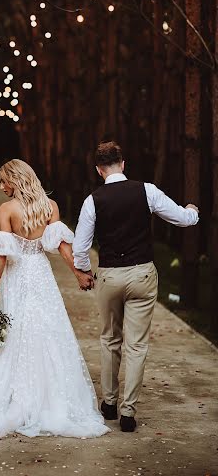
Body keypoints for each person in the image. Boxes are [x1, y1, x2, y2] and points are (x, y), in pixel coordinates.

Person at [0, 159, 109, 440]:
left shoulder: (7, 209)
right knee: (48, 329)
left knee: (19, 331)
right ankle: (50, 396)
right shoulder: (49, 207)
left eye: (4, 181)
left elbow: (3, 253)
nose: (1, 186)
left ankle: (21, 394)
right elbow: (61, 246)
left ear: (16, 180)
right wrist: (78, 273)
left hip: (17, 276)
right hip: (40, 273)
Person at [73, 141, 199, 433]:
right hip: (142, 273)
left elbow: (81, 246)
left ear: (98, 170)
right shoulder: (147, 190)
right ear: (123, 164)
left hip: (109, 276)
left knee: (109, 340)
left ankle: (109, 403)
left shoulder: (93, 200)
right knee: (137, 344)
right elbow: (181, 218)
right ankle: (128, 413)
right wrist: (192, 211)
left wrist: (84, 270)